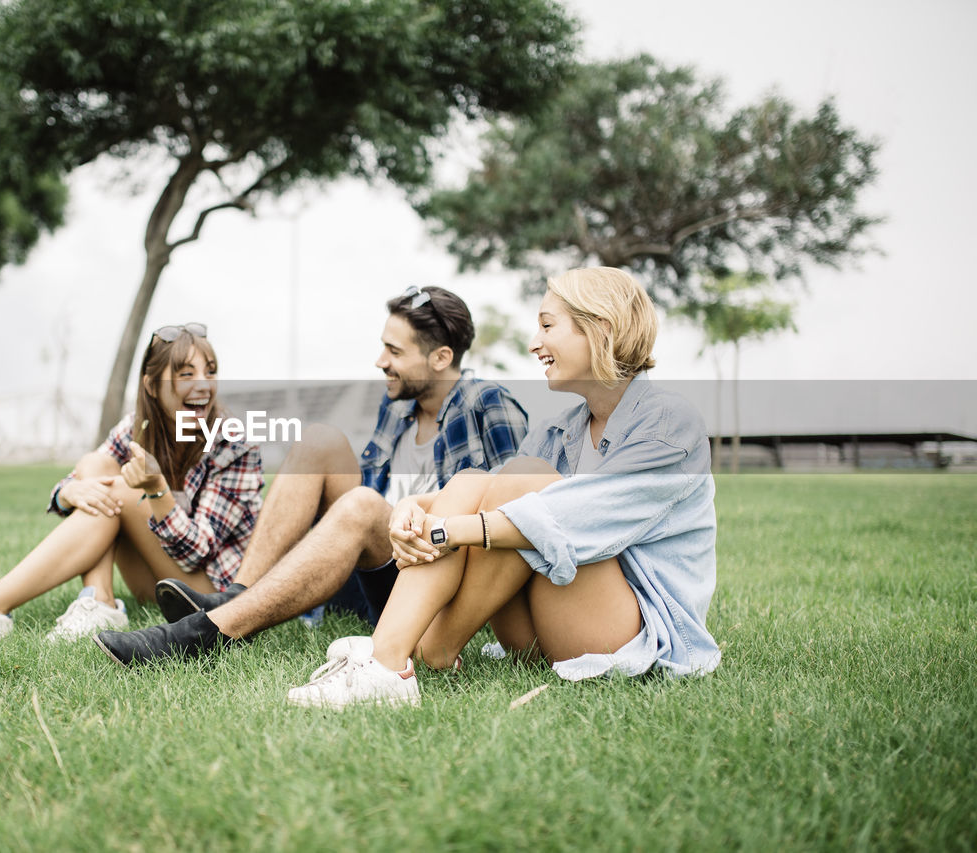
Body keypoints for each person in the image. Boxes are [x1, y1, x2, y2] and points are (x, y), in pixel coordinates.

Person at [285, 267, 720, 709]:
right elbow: (485, 491)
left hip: (627, 636)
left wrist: (448, 530)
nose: (535, 343)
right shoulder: (561, 428)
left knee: (523, 478)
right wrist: (411, 508)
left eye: (548, 326)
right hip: (542, 628)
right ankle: (389, 656)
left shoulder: (669, 422)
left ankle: (418, 652)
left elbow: (576, 518)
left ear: (600, 329)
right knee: (475, 479)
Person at [93, 286, 528, 666]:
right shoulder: (396, 408)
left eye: (395, 352)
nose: (380, 361)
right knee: (319, 440)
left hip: (433, 581)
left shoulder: (488, 403)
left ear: (441, 358)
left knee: (363, 505)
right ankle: (238, 593)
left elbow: (516, 513)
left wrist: (421, 518)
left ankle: (204, 633)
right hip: (380, 565)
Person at [0, 323, 263, 646]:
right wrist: (67, 491)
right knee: (95, 464)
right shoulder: (136, 428)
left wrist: (156, 490)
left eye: (210, 372)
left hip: (210, 593)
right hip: (156, 582)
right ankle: (98, 598)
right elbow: (87, 475)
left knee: (118, 485)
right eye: (186, 374)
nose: (203, 385)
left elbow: (199, 551)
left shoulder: (234, 444)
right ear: (151, 386)